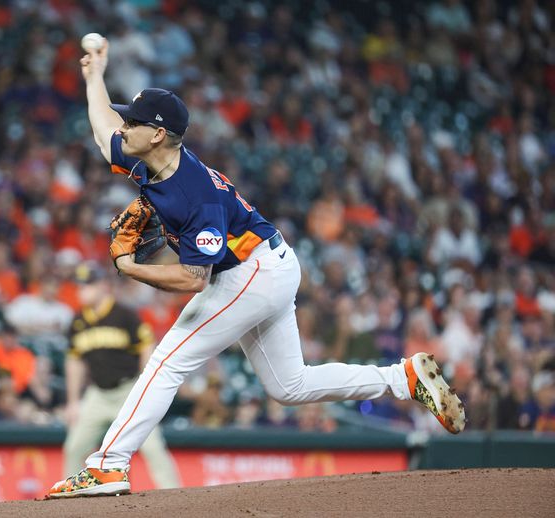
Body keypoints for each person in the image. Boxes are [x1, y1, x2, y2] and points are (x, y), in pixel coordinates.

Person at [47, 38, 466, 499]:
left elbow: (193, 279)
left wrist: (129, 267)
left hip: (252, 271)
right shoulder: (147, 156)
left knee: (167, 361)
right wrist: (93, 77)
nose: (123, 127)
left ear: (159, 134)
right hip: (266, 265)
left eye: (134, 122)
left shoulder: (194, 195)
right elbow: (102, 128)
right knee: (290, 385)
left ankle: (108, 465)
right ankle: (400, 378)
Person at [62, 261, 180, 489]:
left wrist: (147, 386)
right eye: (80, 286)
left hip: (128, 391)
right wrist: (73, 401)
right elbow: (74, 361)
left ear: (103, 286)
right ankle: (71, 502)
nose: (82, 290)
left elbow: (147, 346)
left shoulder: (124, 313)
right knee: (74, 447)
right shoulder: (77, 321)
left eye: (87, 285)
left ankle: (175, 496)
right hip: (97, 394)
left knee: (153, 448)